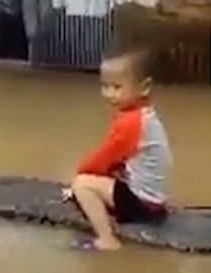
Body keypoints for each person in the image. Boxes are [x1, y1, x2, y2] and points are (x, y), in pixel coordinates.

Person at [62, 46, 173, 251]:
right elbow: (116, 161)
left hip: (145, 205)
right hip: (153, 200)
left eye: (116, 87)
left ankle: (107, 240)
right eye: (105, 86)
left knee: (82, 184)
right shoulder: (144, 115)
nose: (109, 94)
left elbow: (102, 159)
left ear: (144, 87)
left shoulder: (131, 122)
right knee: (97, 178)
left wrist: (78, 176)